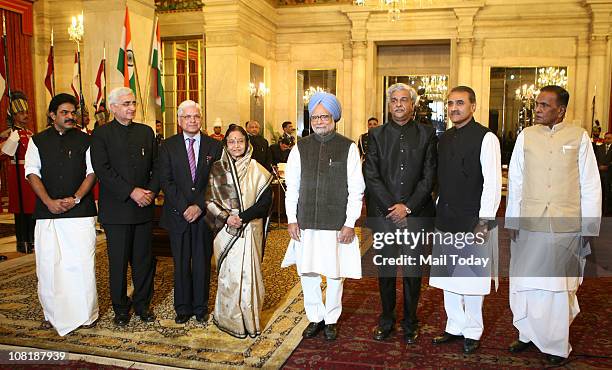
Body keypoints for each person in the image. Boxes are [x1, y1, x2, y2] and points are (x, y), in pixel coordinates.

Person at [505, 85, 601, 365]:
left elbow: (590, 184)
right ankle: (526, 333)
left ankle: (557, 345)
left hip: (565, 223)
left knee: (557, 286)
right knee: (526, 281)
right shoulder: (526, 136)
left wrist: (589, 227)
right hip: (531, 220)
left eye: (545, 105)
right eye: (537, 104)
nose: (538, 109)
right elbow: (517, 181)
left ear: (561, 110)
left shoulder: (579, 136)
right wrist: (513, 219)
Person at [282, 92, 365, 341]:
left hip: (335, 224)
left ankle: (331, 319)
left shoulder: (348, 147)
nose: (319, 121)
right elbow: (292, 185)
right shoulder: (300, 147)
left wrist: (350, 223)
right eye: (315, 116)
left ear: (334, 117)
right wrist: (291, 218)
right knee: (307, 273)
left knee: (334, 273)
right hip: (305, 222)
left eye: (324, 116)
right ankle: (315, 317)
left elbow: (356, 189)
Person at [428, 86, 502, 354]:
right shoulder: (444, 138)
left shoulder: (487, 138)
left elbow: (492, 183)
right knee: (449, 276)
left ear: (473, 106)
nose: (454, 108)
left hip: (473, 219)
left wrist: (485, 220)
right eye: (449, 103)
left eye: (460, 103)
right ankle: (454, 326)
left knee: (471, 278)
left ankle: (472, 330)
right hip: (446, 216)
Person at [364, 83, 437, 344]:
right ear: (389, 104)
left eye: (403, 99)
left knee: (413, 272)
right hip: (384, 217)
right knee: (385, 271)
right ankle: (386, 319)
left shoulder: (427, 134)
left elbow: (429, 176)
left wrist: (407, 207)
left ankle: (410, 321)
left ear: (412, 104)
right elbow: (371, 175)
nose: (398, 104)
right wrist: (390, 207)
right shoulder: (376, 135)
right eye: (393, 100)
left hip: (415, 216)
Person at [24, 93, 98, 336]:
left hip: (80, 213)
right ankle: (52, 314)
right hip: (48, 213)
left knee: (81, 264)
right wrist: (48, 202)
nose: (70, 116)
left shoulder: (86, 140)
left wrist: (76, 198)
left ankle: (86, 314)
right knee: (49, 265)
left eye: (72, 112)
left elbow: (91, 172)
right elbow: (32, 172)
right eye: (64, 112)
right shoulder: (37, 141)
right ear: (52, 115)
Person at [91, 87, 159, 327]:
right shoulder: (101, 135)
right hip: (117, 211)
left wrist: (149, 192)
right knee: (117, 264)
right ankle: (121, 308)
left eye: (133, 103)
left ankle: (142, 304)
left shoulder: (146, 132)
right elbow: (103, 170)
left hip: (143, 208)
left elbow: (157, 166)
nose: (131, 108)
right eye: (125, 104)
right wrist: (132, 191)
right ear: (112, 107)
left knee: (143, 261)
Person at [204, 125, 272, 338]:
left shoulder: (257, 169)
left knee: (251, 277)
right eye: (231, 141)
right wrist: (227, 218)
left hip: (250, 228)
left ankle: (249, 320)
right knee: (229, 276)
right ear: (226, 144)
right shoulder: (217, 169)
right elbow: (209, 200)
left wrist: (241, 218)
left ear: (247, 143)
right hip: (226, 230)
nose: (236, 146)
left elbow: (264, 203)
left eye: (240, 141)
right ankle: (229, 319)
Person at [159, 100, 222, 324]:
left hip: (203, 216)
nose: (192, 120)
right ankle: (182, 307)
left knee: (203, 263)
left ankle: (200, 307)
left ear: (201, 118)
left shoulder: (214, 146)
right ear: (179, 121)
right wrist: (185, 207)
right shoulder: (167, 146)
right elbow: (165, 180)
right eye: (187, 117)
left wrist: (198, 205)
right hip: (178, 215)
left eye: (196, 116)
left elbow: (215, 181)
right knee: (181, 263)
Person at [0, 91, 36, 253]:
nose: (25, 115)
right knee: (21, 210)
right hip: (18, 174)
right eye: (21, 113)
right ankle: (23, 242)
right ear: (13, 116)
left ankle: (33, 240)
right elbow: (3, 155)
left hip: (32, 174)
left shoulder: (30, 134)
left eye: (26, 112)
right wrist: (11, 139)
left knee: (32, 208)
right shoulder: (10, 134)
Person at [595, 132, 611, 215]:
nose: (607, 140)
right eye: (606, 138)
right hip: (600, 173)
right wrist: (598, 166)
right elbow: (596, 158)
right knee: (600, 192)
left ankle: (607, 211)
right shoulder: (600, 147)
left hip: (609, 174)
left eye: (609, 138)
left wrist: (607, 166)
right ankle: (600, 209)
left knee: (608, 193)